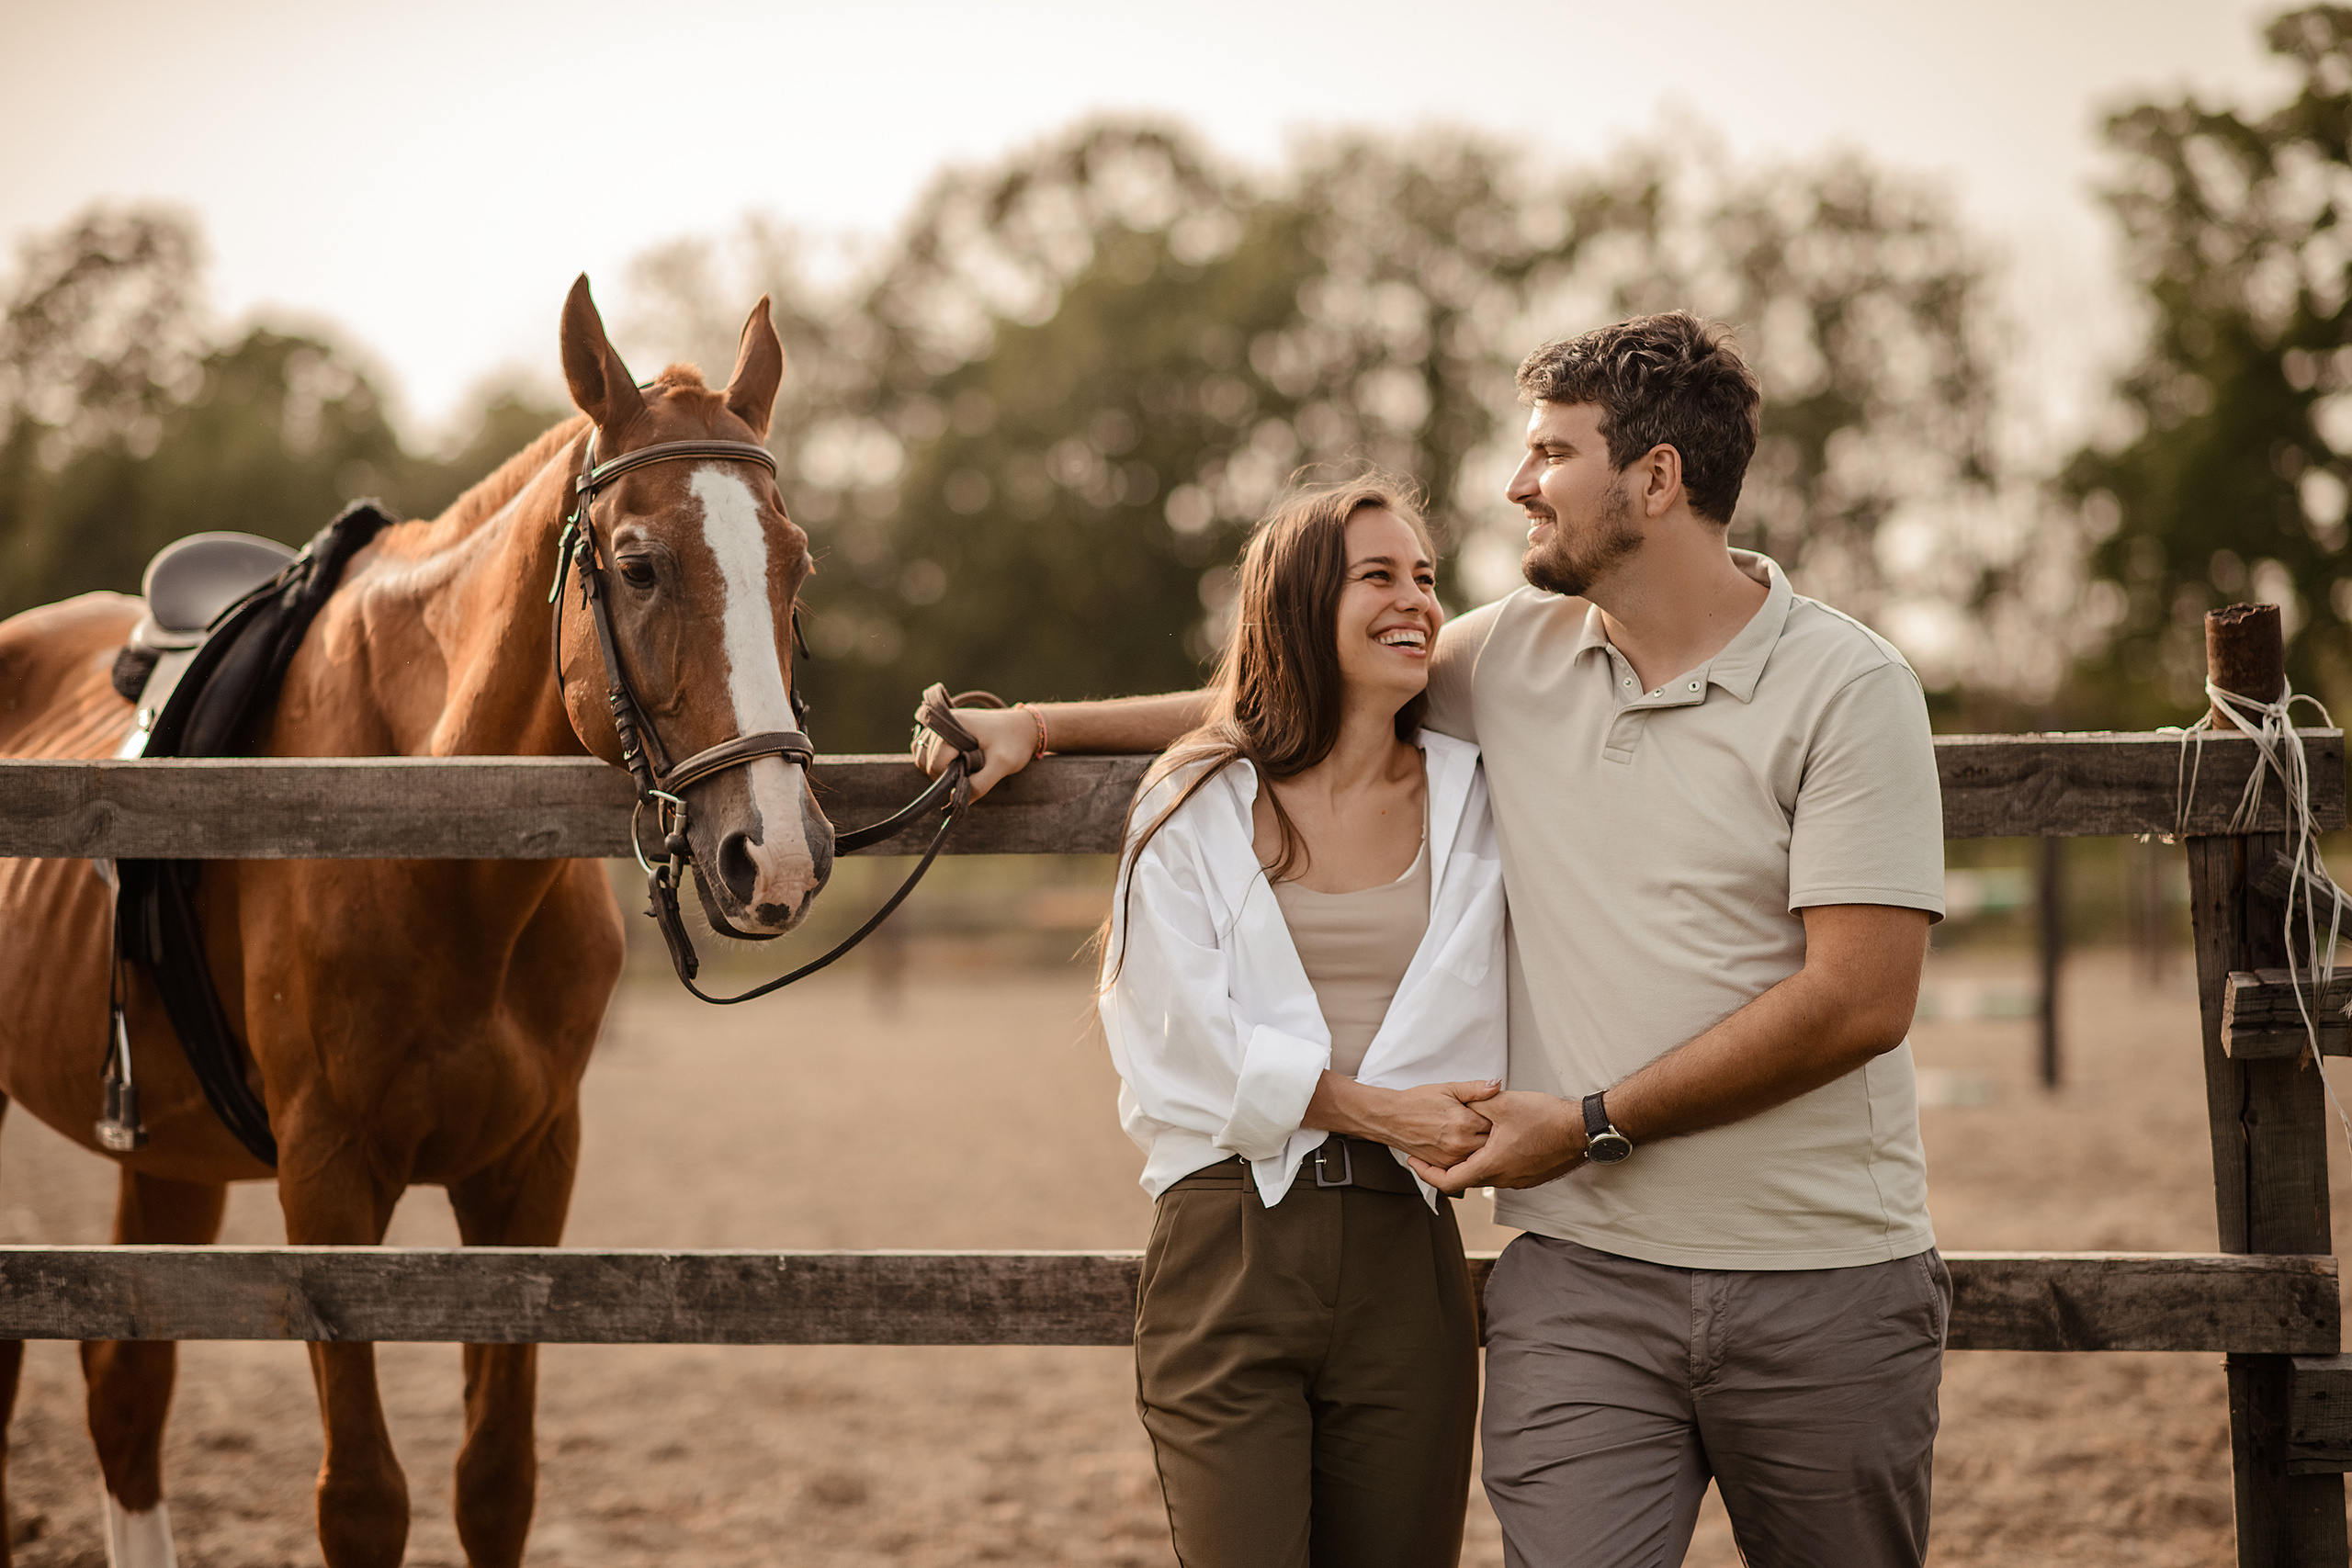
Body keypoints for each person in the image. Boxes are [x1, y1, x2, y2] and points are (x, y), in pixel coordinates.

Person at [922, 313, 1949, 1568]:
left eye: (1551, 453)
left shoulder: (1850, 687)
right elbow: (1294, 678)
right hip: (1585, 1276)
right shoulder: (1511, 652)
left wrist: (1585, 1120)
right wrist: (1038, 724)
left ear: (1657, 477)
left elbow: (1859, 1000)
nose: (1518, 484)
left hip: (1822, 1271)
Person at [1090, 476, 1509, 1568]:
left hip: (1406, 1250)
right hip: (1228, 1236)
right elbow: (1176, 1044)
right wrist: (1377, 1110)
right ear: (1296, 606)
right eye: (1377, 575)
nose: (1415, 598)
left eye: (1424, 576)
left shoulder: (1479, 795)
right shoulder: (1192, 800)